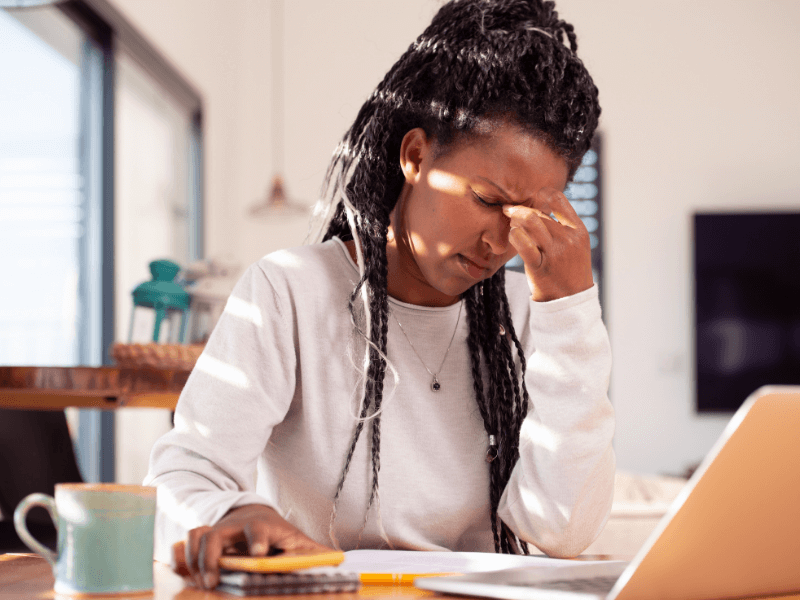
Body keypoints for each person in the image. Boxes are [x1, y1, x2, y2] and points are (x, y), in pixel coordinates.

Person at [145, 0, 615, 590]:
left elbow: (562, 530)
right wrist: (234, 511)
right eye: (488, 200)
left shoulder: (528, 315)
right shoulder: (290, 291)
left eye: (526, 215)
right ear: (415, 156)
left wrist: (571, 315)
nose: (501, 240)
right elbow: (180, 477)